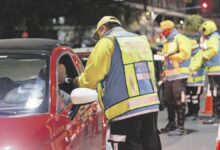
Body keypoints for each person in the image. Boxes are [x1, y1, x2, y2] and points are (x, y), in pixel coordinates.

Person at [73, 16, 161, 150]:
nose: (100, 38)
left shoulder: (107, 42)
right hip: (150, 107)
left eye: (99, 35)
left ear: (103, 28)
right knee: (150, 145)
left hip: (124, 110)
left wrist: (77, 81)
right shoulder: (141, 40)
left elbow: (91, 78)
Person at [158, 20, 192, 136]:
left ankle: (180, 127)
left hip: (180, 74)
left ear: (169, 29)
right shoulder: (167, 41)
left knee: (179, 100)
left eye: (164, 31)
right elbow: (166, 58)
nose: (162, 33)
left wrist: (170, 56)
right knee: (169, 100)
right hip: (169, 76)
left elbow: (185, 54)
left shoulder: (181, 39)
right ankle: (171, 124)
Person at [199, 20, 220, 124]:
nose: (202, 32)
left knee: (216, 94)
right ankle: (216, 116)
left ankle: (216, 116)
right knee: (216, 94)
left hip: (216, 71)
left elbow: (214, 50)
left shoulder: (213, 38)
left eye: (203, 30)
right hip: (214, 71)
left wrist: (203, 55)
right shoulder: (215, 37)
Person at [185, 40, 206, 120]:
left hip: (197, 82)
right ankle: (190, 112)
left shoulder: (199, 54)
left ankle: (195, 113)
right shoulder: (189, 55)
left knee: (195, 97)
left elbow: (196, 65)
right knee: (188, 97)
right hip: (188, 81)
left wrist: (186, 69)